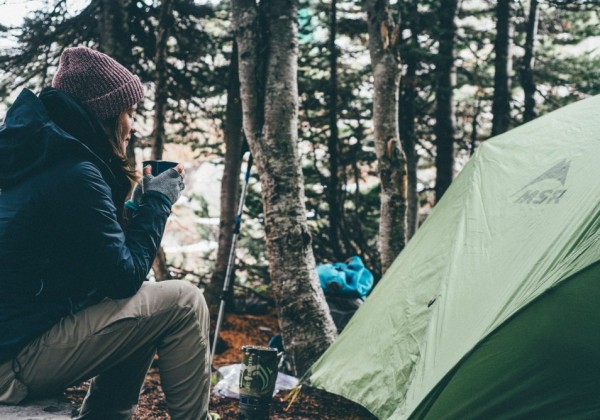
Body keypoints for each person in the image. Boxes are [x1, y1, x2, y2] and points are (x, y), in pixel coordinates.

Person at [0, 46, 212, 419]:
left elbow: (98, 264)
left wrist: (134, 212)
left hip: (14, 343)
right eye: (129, 113)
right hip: (13, 363)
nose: (133, 125)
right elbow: (123, 278)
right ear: (105, 114)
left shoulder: (47, 159)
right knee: (184, 301)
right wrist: (158, 204)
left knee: (146, 306)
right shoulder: (76, 173)